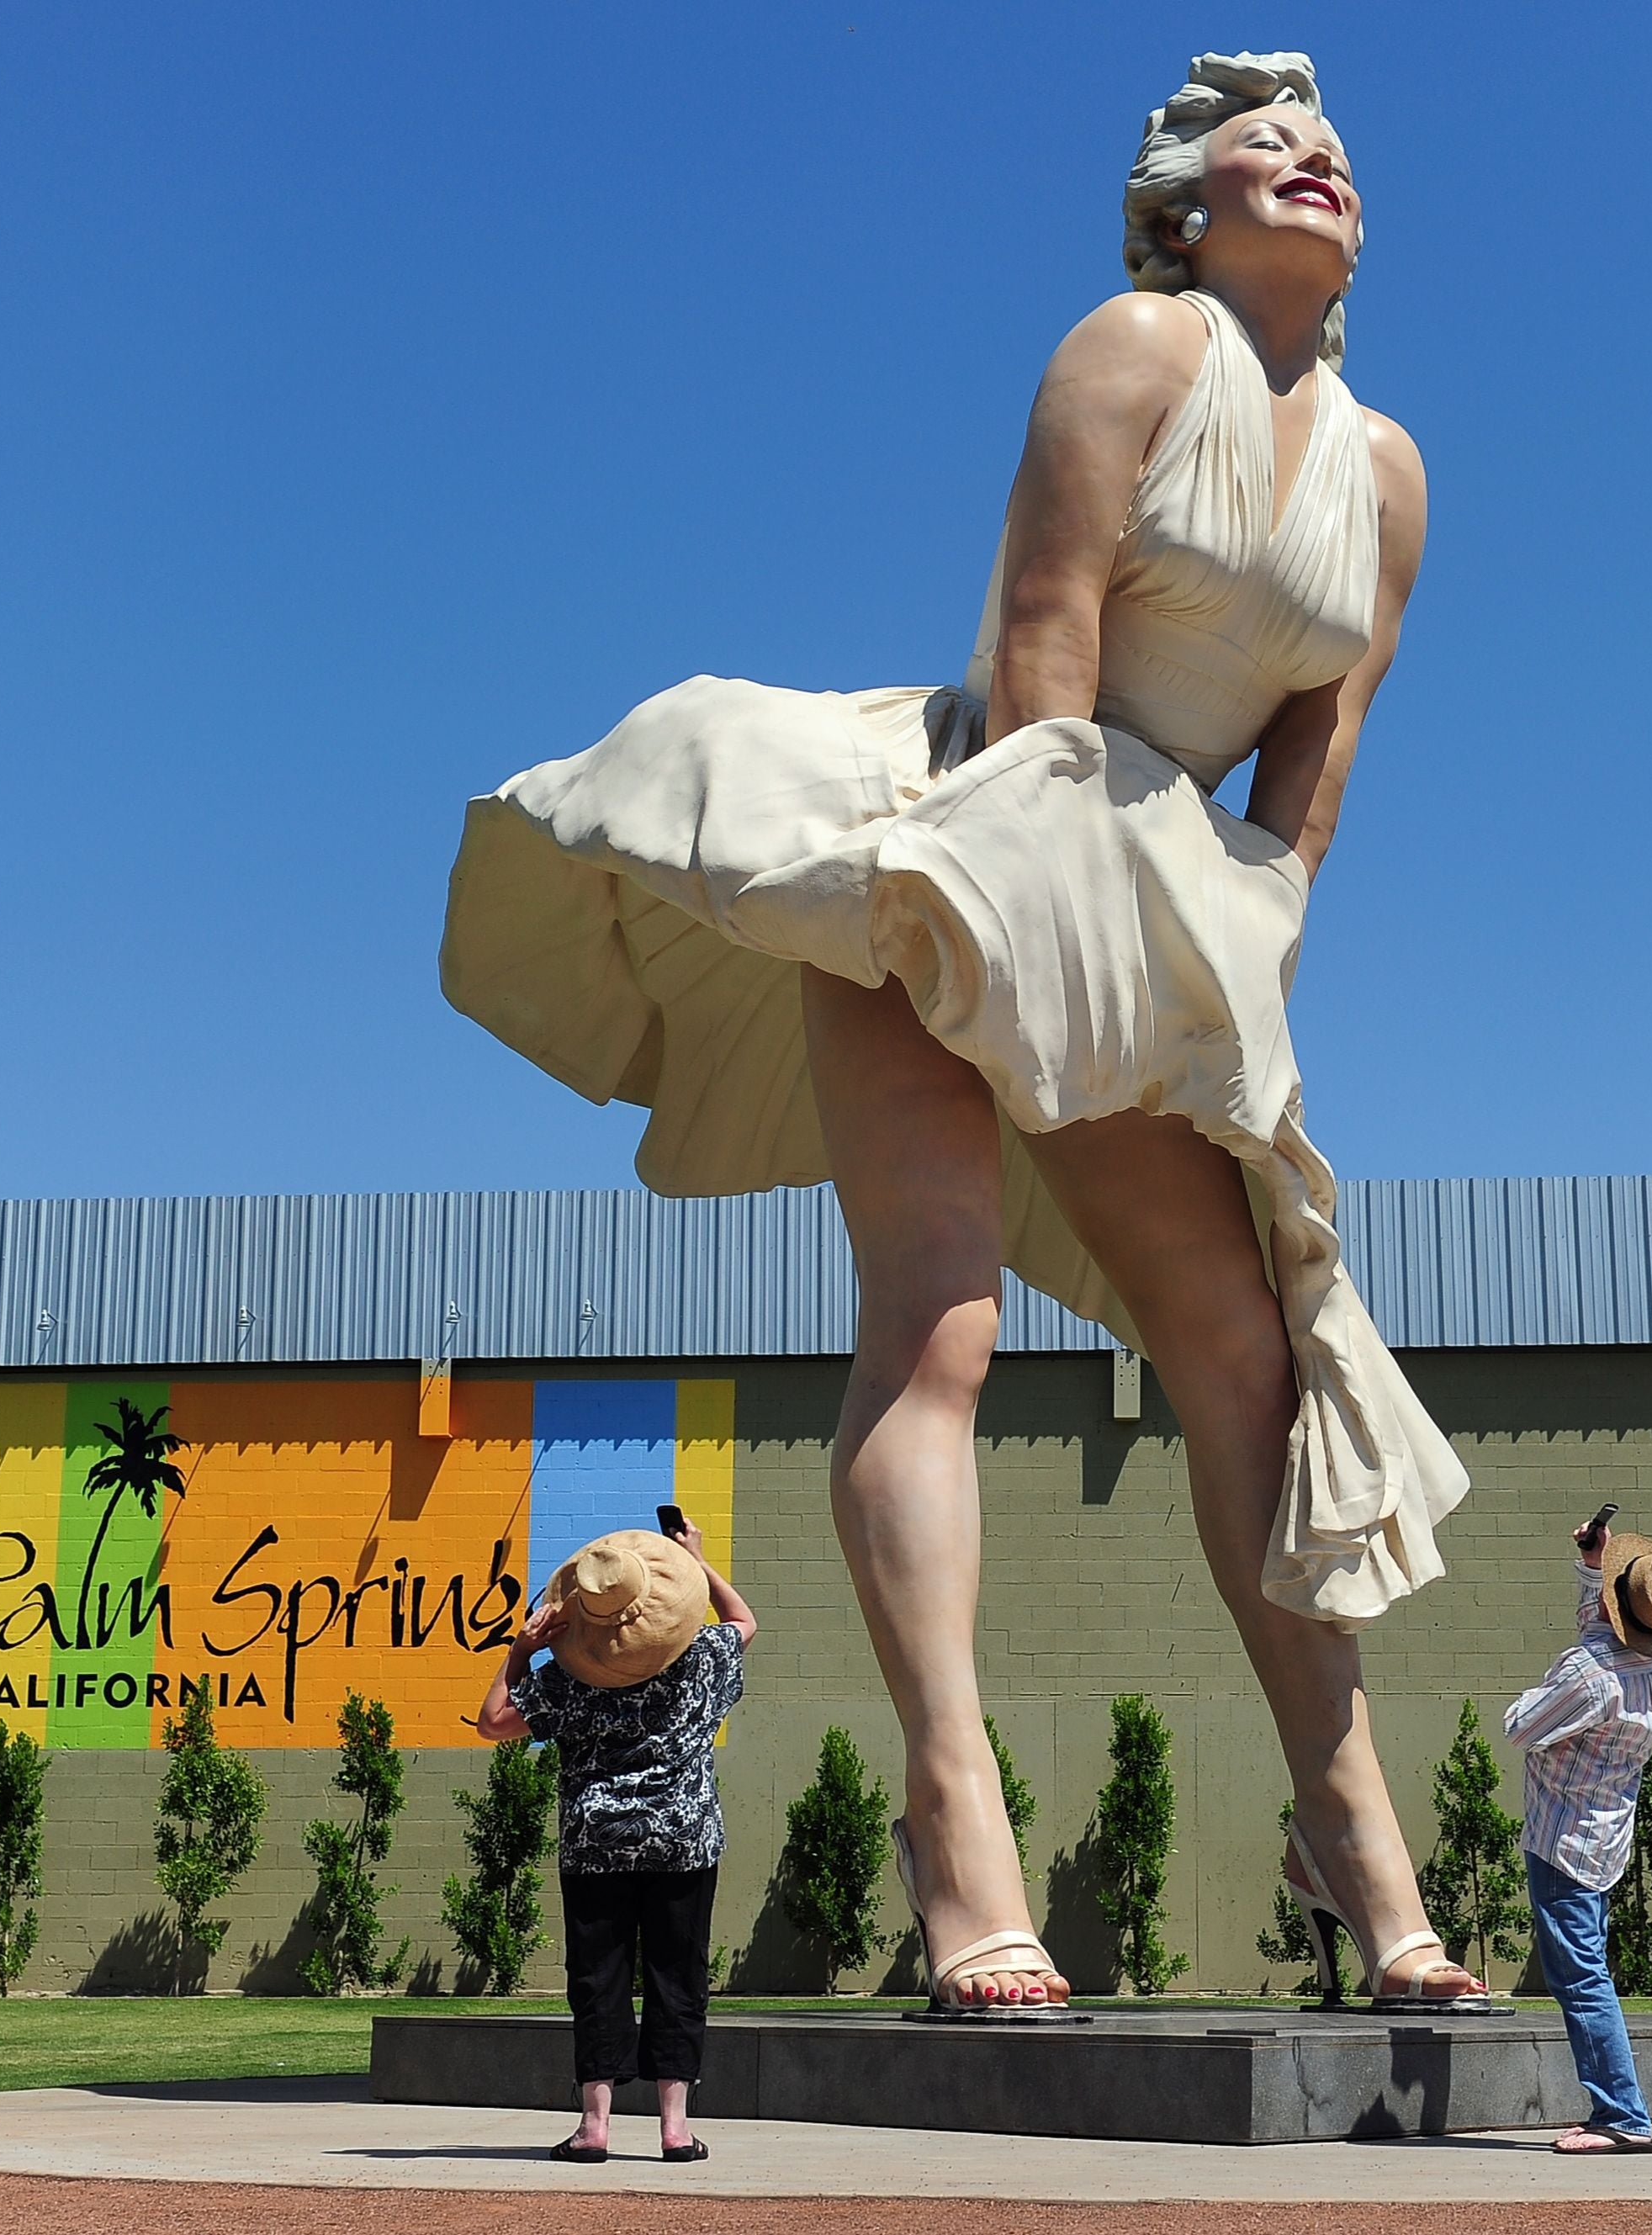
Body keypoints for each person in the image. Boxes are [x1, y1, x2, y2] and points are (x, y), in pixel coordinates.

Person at [440, 51, 1484, 2015]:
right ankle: (954, 1830)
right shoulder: (1124, 350)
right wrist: (1055, 955)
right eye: (1264, 144)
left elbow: (1308, 782)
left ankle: (1349, 1836)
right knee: (939, 1318)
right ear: (1182, 205)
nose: (1314, 163)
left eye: (1332, 149)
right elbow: (1039, 655)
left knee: (1246, 1359)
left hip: (1165, 905)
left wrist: (1214, 1007)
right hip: (964, 849)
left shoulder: (1389, 476)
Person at [474, 1521, 755, 2164]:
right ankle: (675, 2128)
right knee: (678, 1976)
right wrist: (696, 1562)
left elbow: (493, 1721)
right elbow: (743, 1619)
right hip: (683, 1842)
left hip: (595, 1846)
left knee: (598, 1979)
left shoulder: (570, 1683)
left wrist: (519, 1651)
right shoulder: (704, 1660)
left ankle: (594, 2126)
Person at [1497, 1516, 1652, 2156]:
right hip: (1602, 1837)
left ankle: (1621, 2114)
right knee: (1586, 1971)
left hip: (1561, 1842)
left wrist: (1535, 1690)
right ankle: (1618, 2109)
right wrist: (1592, 1563)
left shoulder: (1588, 1673)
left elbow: (1521, 1725)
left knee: (1581, 1978)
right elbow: (1601, 1626)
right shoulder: (1649, 1664)